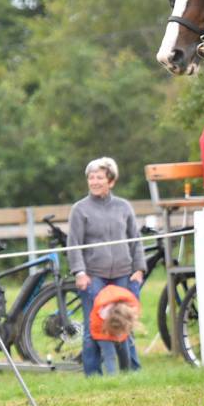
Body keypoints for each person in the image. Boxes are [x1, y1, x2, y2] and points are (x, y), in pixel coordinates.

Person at [68, 157, 146, 376]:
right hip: (94, 276)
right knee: (93, 326)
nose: (94, 182)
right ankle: (93, 374)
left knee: (124, 322)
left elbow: (135, 239)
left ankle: (132, 371)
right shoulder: (80, 209)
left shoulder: (124, 207)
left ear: (111, 181)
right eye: (91, 178)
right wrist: (80, 273)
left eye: (99, 177)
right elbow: (73, 243)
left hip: (123, 274)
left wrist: (139, 269)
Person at [89, 284, 141, 375]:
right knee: (109, 355)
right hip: (102, 332)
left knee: (125, 354)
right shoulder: (100, 316)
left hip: (121, 322)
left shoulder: (129, 310)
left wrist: (122, 333)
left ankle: (126, 375)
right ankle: (112, 377)